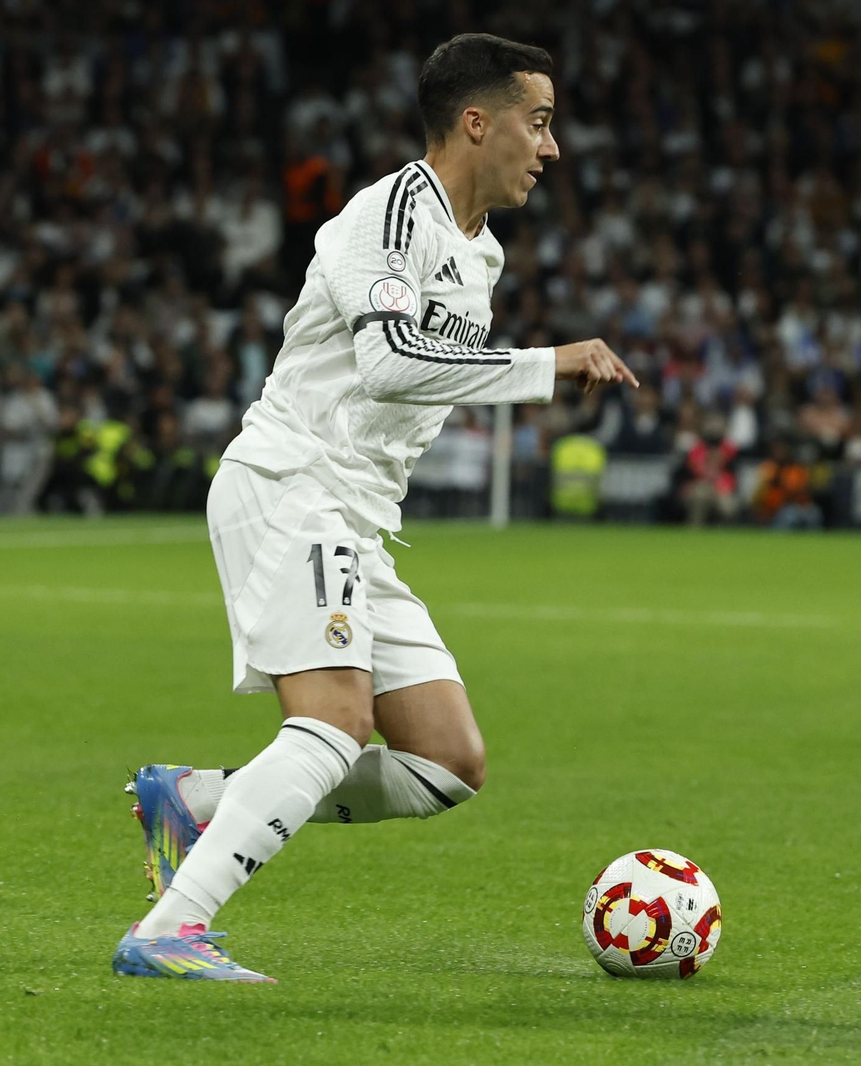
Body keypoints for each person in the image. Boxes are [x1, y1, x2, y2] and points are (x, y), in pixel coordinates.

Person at [112, 33, 637, 982]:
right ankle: (168, 931)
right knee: (333, 724)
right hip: (291, 485)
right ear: (477, 123)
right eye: (540, 122)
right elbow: (390, 364)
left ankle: (195, 798)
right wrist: (541, 365)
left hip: (356, 516)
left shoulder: (483, 258)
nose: (551, 149)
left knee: (448, 762)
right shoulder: (390, 214)